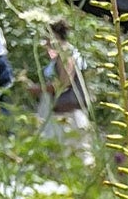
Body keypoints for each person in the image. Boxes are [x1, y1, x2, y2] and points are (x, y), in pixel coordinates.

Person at [36, 18, 91, 158]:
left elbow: (63, 83)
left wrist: (38, 89)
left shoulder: (66, 53)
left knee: (69, 156)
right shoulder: (63, 53)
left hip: (69, 116)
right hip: (60, 115)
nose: (45, 42)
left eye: (46, 38)